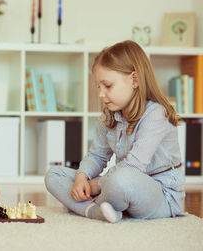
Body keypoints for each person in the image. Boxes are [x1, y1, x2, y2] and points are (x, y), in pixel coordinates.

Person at [45, 40, 186, 223]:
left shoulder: (156, 114)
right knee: (54, 175)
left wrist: (96, 185)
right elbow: (96, 156)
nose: (101, 94)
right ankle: (97, 211)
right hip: (117, 184)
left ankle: (86, 206)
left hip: (161, 195)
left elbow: (133, 167)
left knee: (121, 179)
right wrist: (82, 177)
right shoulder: (110, 116)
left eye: (108, 86)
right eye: (98, 86)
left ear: (134, 80)